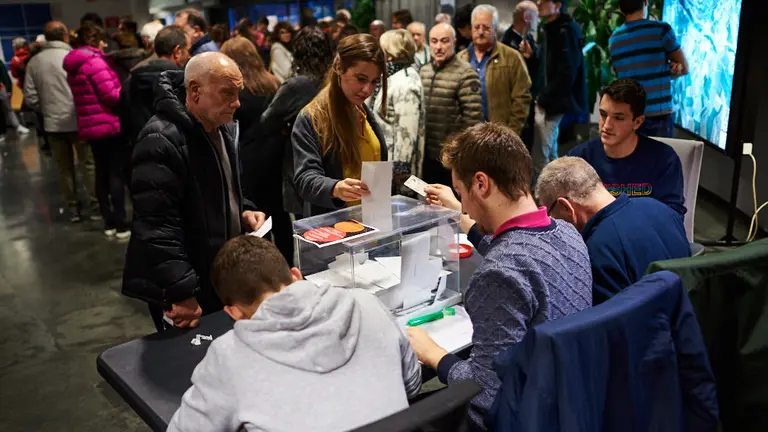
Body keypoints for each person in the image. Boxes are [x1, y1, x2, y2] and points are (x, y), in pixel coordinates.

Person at [408, 123, 592, 430]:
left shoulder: (499, 273)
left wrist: (434, 355)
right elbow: (522, 247)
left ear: (481, 183)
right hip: (568, 404)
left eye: (461, 193)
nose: (463, 206)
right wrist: (467, 222)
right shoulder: (569, 233)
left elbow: (486, 396)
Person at [166, 235, 421, 432]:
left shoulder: (228, 357)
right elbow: (411, 383)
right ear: (296, 276)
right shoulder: (365, 302)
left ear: (233, 313)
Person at [122, 52, 267, 331]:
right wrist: (182, 292)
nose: (236, 103)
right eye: (227, 93)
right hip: (188, 283)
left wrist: (244, 208)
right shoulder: (160, 139)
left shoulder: (219, 126)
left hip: (217, 272)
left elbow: (223, 184)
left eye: (238, 93)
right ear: (195, 91)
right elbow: (156, 226)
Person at [536, 156, 690, 304]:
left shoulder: (595, 251)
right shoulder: (662, 209)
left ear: (566, 207)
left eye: (550, 214)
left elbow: (611, 325)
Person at [292, 34, 388, 217]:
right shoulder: (311, 118)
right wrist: (334, 187)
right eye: (361, 79)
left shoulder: (361, 109)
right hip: (337, 228)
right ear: (338, 68)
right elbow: (305, 178)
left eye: (374, 81)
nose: (367, 89)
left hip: (373, 222)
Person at [568, 79, 685, 216]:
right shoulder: (579, 159)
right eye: (603, 114)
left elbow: (672, 215)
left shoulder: (664, 159)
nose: (606, 125)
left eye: (618, 118)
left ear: (637, 122)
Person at [220, 36, 289, 265]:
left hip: (247, 159)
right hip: (276, 156)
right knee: (280, 215)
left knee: (257, 219)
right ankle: (288, 265)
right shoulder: (273, 83)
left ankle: (266, 268)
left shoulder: (235, 92)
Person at [24, 21, 97, 222]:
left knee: (64, 168)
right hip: (79, 119)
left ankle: (73, 208)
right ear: (65, 35)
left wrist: (47, 110)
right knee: (88, 164)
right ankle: (95, 205)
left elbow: (30, 97)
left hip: (52, 123)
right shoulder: (77, 57)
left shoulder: (34, 62)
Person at [261, 26, 333, 225]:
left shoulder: (295, 85)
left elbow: (266, 122)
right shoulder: (334, 80)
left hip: (301, 161)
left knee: (307, 230)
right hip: (332, 160)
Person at [63, 23, 128, 238]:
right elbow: (110, 95)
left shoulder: (74, 64)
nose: (104, 44)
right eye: (101, 40)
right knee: (115, 173)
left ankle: (108, 221)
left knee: (101, 173)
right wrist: (125, 92)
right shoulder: (95, 62)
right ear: (93, 41)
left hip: (90, 126)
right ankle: (121, 224)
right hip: (108, 124)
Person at [609, 0, 688, 138]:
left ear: (621, 8)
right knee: (660, 159)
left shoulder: (614, 39)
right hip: (658, 117)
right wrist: (672, 70)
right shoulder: (661, 30)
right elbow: (684, 68)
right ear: (645, 2)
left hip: (630, 117)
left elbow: (625, 78)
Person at [419, 23, 482, 186]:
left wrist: (457, 153)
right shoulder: (424, 71)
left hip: (450, 158)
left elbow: (472, 121)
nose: (438, 46)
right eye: (434, 41)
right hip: (425, 155)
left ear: (454, 42)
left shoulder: (466, 73)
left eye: (444, 41)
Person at [532, 0, 588, 181]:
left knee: (545, 153)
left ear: (557, 4)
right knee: (549, 151)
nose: (539, 2)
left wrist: (544, 97)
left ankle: (545, 197)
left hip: (556, 103)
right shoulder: (552, 28)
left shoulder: (564, 30)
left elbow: (567, 71)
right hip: (552, 101)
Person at [457, 4, 531, 135]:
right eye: (476, 27)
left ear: (495, 29)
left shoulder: (512, 57)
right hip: (467, 136)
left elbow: (522, 99)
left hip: (499, 135)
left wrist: (511, 133)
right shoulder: (460, 59)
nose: (480, 32)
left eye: (486, 28)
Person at [119, 25, 191, 160]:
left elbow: (125, 120)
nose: (189, 55)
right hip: (175, 153)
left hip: (140, 152)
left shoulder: (132, 79)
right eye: (188, 50)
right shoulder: (181, 82)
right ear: (177, 52)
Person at [367, 29, 424, 194]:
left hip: (395, 172)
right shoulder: (392, 75)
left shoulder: (406, 82)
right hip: (383, 162)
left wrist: (400, 170)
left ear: (390, 52)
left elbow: (407, 129)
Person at [501, 1, 540, 150]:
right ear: (527, 17)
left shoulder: (527, 40)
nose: (539, 20)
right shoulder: (509, 43)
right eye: (536, 16)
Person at [1, 55, 29, 137]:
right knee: (9, 109)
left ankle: (16, 126)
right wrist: (9, 88)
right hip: (2, 89)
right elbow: (5, 76)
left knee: (8, 108)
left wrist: (9, 88)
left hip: (2, 89)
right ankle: (17, 126)